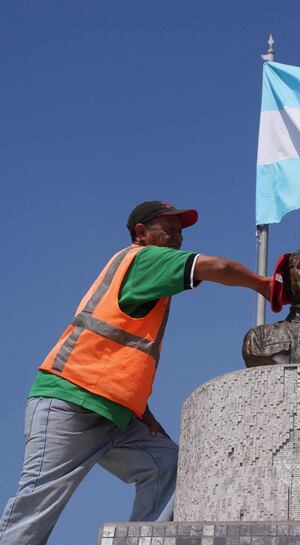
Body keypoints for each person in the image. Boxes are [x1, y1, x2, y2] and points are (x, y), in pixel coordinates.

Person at [0, 200, 272, 545]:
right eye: (169, 229)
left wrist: (141, 410)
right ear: (141, 234)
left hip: (115, 414)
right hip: (69, 401)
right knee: (36, 509)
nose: (177, 237)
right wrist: (262, 284)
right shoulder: (143, 259)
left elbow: (120, 355)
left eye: (181, 231)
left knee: (170, 468)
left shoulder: (143, 274)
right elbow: (216, 266)